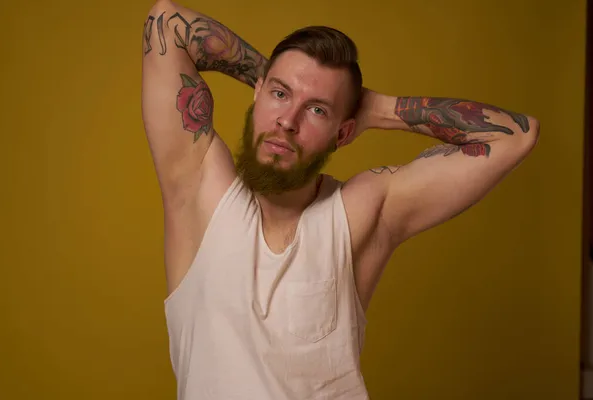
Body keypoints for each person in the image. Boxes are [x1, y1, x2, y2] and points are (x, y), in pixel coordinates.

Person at [141, 1, 540, 399]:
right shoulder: (198, 190)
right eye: (279, 94)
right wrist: (276, 78)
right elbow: (166, 21)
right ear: (258, 92)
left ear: (344, 133)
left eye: (316, 110)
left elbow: (516, 136)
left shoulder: (360, 212)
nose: (288, 121)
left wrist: (372, 108)